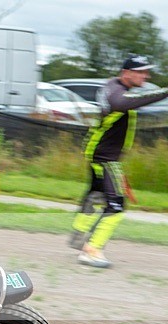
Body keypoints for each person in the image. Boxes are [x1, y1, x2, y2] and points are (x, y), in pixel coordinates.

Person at [69, 54, 168, 267]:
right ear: (126, 73)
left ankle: (79, 233)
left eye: (146, 71)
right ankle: (92, 250)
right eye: (141, 71)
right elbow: (123, 103)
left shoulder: (112, 85)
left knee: (95, 195)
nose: (146, 75)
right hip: (106, 158)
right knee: (116, 205)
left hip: (97, 153)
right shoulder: (117, 94)